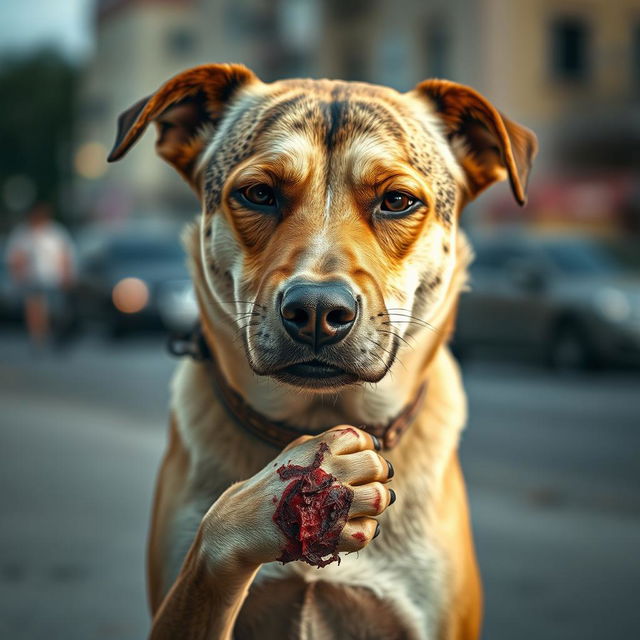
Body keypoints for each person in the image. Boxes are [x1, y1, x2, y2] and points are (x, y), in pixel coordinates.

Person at [5, 202, 76, 349]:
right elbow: (15, 257)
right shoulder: (23, 234)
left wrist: (67, 275)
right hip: (32, 279)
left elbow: (65, 255)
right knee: (34, 308)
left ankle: (52, 334)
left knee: (54, 309)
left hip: (52, 279)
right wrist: (18, 274)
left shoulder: (56, 232)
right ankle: (38, 337)